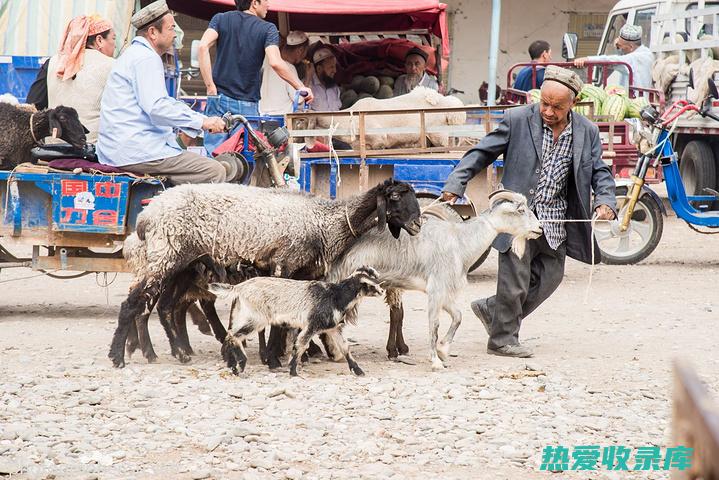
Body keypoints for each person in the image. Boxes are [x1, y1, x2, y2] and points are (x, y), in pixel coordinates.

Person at [441, 66, 616, 358]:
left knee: (551, 277)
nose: (547, 110)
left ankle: (492, 309)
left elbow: (600, 171)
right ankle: (502, 339)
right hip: (516, 219)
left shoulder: (587, 131)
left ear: (574, 101)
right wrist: (456, 182)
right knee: (515, 281)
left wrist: (606, 200)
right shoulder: (517, 120)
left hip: (555, 219)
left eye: (556, 106)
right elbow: (481, 153)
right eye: (544, 103)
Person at [97, 0, 227, 184]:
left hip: (124, 149)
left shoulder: (134, 54)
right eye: (172, 28)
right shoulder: (146, 58)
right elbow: (157, 107)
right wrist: (202, 122)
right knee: (214, 171)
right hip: (138, 151)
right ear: (152, 32)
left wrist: (196, 119)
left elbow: (161, 102)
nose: (175, 35)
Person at [198, 0, 313, 154]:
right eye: (265, 1)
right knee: (244, 159)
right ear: (254, 3)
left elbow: (202, 46)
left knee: (213, 156)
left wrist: (210, 86)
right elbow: (276, 62)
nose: (268, 5)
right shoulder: (267, 29)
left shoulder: (220, 19)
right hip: (247, 105)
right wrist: (301, 87)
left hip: (218, 99)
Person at [26, 15, 116, 142]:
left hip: (53, 149)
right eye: (113, 38)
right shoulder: (112, 66)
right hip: (93, 150)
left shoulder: (52, 62)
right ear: (99, 40)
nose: (115, 46)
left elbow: (34, 104)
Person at [574, 24, 654, 88]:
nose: (620, 49)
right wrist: (618, 45)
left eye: (620, 46)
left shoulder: (636, 58)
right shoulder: (646, 52)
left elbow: (611, 60)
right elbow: (622, 55)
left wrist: (587, 59)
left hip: (635, 101)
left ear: (631, 47)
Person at [259, 30, 309, 115]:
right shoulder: (289, 68)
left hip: (263, 116)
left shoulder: (267, 60)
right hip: (281, 118)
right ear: (300, 50)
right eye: (305, 52)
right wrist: (309, 76)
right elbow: (300, 98)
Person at [308, 47, 341, 112]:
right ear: (319, 69)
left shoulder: (334, 87)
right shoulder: (308, 86)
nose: (335, 71)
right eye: (331, 67)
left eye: (335, 67)